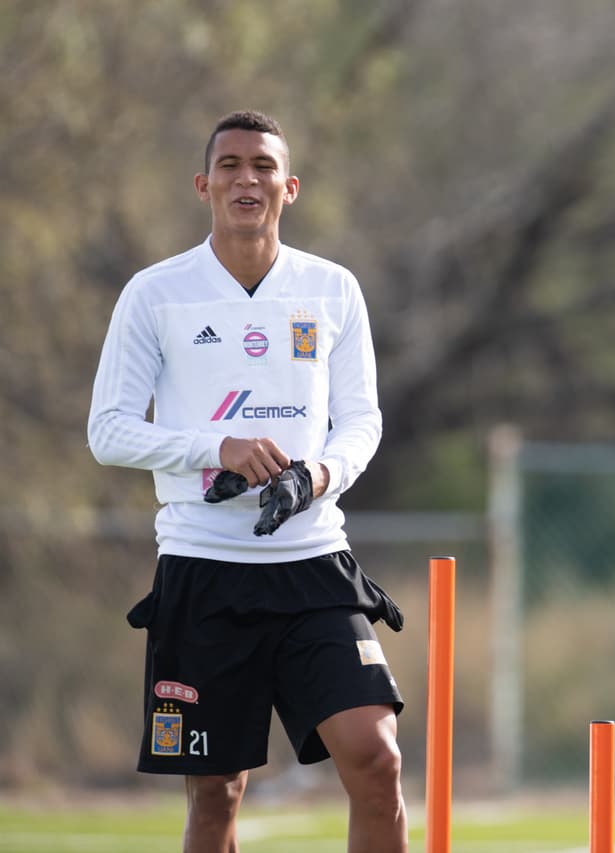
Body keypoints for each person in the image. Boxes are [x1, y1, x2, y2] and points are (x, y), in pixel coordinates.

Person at [88, 110, 407, 853]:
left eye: (263, 166)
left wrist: (317, 474)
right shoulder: (154, 293)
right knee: (215, 799)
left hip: (313, 565)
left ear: (289, 188)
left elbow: (362, 421)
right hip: (205, 572)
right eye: (230, 165)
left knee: (377, 755)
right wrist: (217, 448)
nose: (247, 178)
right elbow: (108, 430)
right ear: (204, 185)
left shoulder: (332, 289)